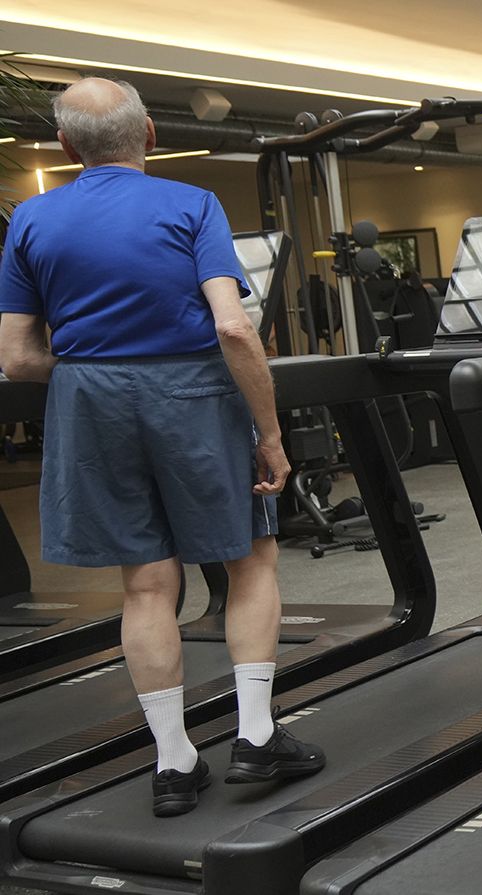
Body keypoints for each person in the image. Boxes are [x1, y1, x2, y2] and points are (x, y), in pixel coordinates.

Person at [0, 78, 323, 817]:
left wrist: (94, 371)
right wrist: (271, 435)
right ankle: (255, 736)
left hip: (89, 403)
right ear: (150, 133)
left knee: (146, 583)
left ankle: (175, 764)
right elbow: (235, 327)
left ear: (65, 146)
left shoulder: (32, 217)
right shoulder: (191, 203)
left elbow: (17, 359)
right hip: (193, 396)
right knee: (249, 558)